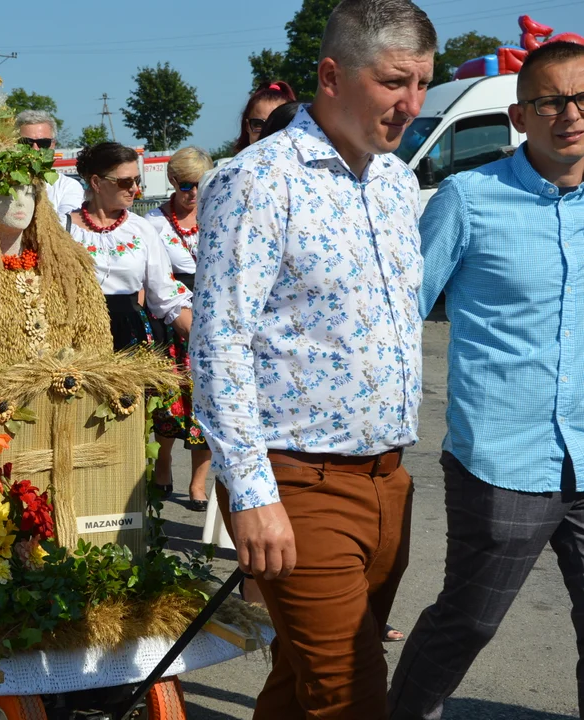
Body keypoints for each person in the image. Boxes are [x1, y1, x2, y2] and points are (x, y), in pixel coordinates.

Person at [190, 1, 436, 716]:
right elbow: (219, 341)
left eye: (421, 83)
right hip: (300, 483)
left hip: (387, 480)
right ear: (331, 74)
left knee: (300, 687)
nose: (410, 104)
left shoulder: (395, 182)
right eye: (394, 82)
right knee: (350, 694)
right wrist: (253, 494)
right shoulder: (258, 180)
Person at [388, 40, 584, 719]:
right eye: (549, 100)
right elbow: (398, 314)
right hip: (503, 458)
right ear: (518, 115)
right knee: (466, 622)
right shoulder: (468, 201)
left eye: (582, 99)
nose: (569, 114)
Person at [0, 148, 110, 369]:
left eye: (28, 193)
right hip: (3, 397)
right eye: (7, 194)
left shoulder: (68, 264)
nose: (20, 203)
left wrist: (82, 377)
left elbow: (94, 337)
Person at [67, 142, 192, 351]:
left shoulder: (141, 229)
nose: (135, 188)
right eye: (125, 182)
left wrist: (204, 342)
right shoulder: (64, 229)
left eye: (137, 180)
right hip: (77, 335)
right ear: (96, 183)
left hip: (131, 338)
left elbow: (167, 294)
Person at [143, 146, 213, 511]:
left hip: (213, 320)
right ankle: (165, 462)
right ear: (172, 181)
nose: (194, 193)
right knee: (170, 405)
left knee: (207, 406)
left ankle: (199, 484)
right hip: (171, 322)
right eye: (187, 185)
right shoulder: (153, 223)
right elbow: (148, 279)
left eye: (201, 185)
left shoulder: (218, 216)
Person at [16, 110, 85, 216]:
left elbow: (65, 227)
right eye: (26, 142)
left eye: (43, 143)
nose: (35, 149)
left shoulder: (67, 187)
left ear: (53, 145)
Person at [234, 80, 297, 153]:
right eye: (258, 124)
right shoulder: (237, 164)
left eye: (277, 125)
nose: (266, 133)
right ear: (247, 127)